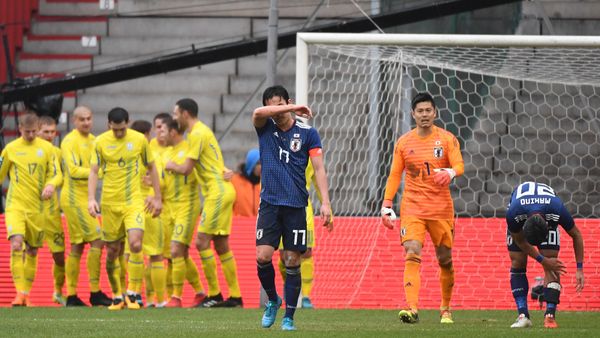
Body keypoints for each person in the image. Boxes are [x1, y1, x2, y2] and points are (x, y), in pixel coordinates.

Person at [252, 85, 333, 331]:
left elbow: (319, 169)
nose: (276, 111)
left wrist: (326, 203)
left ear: (288, 101)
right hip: (269, 204)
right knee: (263, 256)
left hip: (296, 206)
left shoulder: (308, 133)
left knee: (292, 260)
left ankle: (289, 317)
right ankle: (273, 299)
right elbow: (257, 112)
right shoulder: (265, 127)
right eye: (272, 106)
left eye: (281, 105)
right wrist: (291, 108)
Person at [381, 92, 464, 324]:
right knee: (412, 249)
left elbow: (459, 164)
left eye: (428, 110)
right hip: (413, 208)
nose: (424, 115)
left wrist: (450, 172)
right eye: (420, 111)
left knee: (445, 258)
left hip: (441, 209)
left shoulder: (447, 139)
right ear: (413, 114)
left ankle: (445, 309)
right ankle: (412, 308)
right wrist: (387, 204)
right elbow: (395, 174)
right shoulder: (404, 142)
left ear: (435, 112)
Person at [166, 98, 242, 308]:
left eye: (175, 114)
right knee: (221, 244)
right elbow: (212, 161)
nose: (174, 118)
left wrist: (171, 165)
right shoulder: (201, 132)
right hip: (221, 190)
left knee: (201, 242)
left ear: (185, 113)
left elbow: (186, 169)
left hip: (217, 193)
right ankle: (235, 296)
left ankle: (215, 294)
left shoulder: (197, 133)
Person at [88, 107, 162, 310]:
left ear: (128, 123)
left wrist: (157, 197)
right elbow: (94, 171)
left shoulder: (139, 140)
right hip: (110, 203)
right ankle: (116, 295)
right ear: (109, 125)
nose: (119, 133)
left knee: (136, 244)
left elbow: (152, 167)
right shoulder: (100, 142)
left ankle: (133, 292)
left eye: (122, 129)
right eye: (115, 130)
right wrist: (90, 199)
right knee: (113, 250)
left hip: (133, 201)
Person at [0, 113, 62, 306]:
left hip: (37, 209)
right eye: (27, 132)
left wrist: (51, 185)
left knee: (33, 251)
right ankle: (19, 293)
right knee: (17, 244)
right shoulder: (10, 149)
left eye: (34, 131)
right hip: (16, 206)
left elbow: (57, 174)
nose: (31, 135)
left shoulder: (47, 148)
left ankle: (26, 293)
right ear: (20, 129)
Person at [506, 181, 584, 329]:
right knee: (517, 261)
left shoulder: (556, 208)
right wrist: (542, 260)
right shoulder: (514, 213)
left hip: (546, 211)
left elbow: (576, 235)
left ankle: (550, 315)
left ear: (548, 227)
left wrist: (579, 268)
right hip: (521, 215)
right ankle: (523, 316)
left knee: (552, 261)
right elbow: (521, 242)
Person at [60, 106, 113, 307]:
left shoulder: (95, 141)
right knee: (98, 241)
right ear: (74, 121)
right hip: (74, 198)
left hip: (86, 198)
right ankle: (94, 292)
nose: (86, 122)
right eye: (82, 119)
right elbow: (73, 171)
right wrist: (99, 173)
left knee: (78, 245)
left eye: (89, 118)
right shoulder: (69, 141)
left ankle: (72, 295)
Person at [161, 119, 208, 307]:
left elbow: (201, 169)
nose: (160, 134)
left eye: (162, 129)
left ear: (173, 131)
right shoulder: (167, 152)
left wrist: (222, 172)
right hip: (169, 208)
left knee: (175, 251)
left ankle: (176, 297)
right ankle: (199, 292)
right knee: (181, 254)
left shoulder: (189, 148)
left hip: (187, 206)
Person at [130, 120, 167, 308]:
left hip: (130, 208)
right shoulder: (150, 153)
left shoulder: (125, 154)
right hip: (149, 205)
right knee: (156, 256)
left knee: (133, 254)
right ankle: (159, 300)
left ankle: (134, 295)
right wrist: (155, 196)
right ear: (146, 134)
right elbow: (159, 180)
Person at [36, 116, 67, 306]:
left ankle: (57, 291)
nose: (49, 136)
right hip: (31, 210)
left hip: (52, 211)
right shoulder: (24, 149)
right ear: (37, 131)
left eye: (52, 132)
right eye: (45, 131)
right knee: (26, 250)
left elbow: (62, 177)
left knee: (59, 255)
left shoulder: (57, 152)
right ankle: (22, 293)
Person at [231, 148, 261, 217]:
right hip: (239, 224)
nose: (260, 166)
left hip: (258, 225)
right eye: (258, 163)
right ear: (251, 164)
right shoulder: (234, 181)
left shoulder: (265, 184)